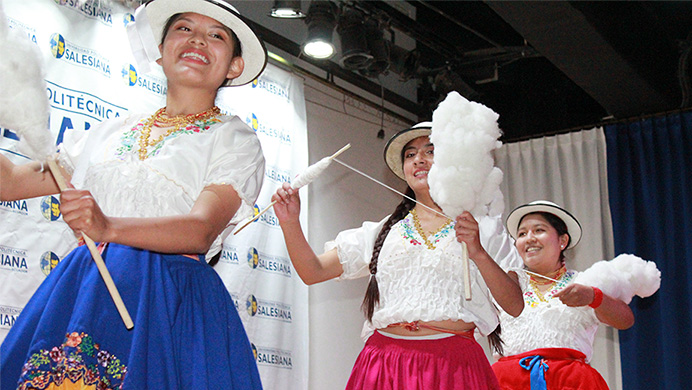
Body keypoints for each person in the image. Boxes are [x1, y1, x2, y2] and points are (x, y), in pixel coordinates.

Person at [0, 0, 266, 388]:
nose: (197, 41)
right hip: (84, 293)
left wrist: (106, 226)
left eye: (216, 35)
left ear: (234, 66)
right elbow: (9, 184)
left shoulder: (234, 139)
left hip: (170, 301)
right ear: (160, 51)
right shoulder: (109, 131)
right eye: (183, 29)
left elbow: (201, 230)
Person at [272, 122, 524, 389]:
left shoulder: (482, 226)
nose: (418, 160)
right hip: (384, 367)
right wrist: (290, 222)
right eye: (410, 154)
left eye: (430, 151)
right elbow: (313, 271)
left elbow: (514, 305)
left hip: (451, 367)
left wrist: (479, 253)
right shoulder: (383, 231)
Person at [491, 200, 635, 389]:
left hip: (571, 383)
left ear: (562, 241)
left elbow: (626, 320)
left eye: (539, 230)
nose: (529, 238)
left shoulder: (583, 283)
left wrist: (594, 297)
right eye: (522, 234)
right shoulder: (506, 283)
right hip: (509, 383)